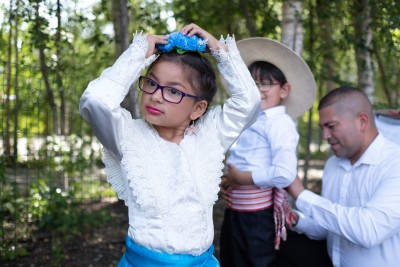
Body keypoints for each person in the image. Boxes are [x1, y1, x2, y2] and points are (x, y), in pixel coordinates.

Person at [79, 23, 260, 266]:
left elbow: (249, 102)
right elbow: (95, 101)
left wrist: (218, 49)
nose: (155, 95)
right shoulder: (127, 137)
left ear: (198, 108)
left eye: (173, 92)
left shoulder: (209, 137)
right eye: (151, 83)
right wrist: (140, 52)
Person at [219, 37, 316, 267]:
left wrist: (240, 178)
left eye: (265, 84)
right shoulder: (250, 120)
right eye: (252, 83)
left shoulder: (279, 123)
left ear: (284, 90)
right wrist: (228, 180)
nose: (257, 90)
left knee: (256, 262)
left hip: (257, 218)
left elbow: (284, 172)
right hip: (236, 212)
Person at [286, 86, 400, 267]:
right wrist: (295, 219)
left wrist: (301, 195)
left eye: (331, 126)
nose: (325, 136)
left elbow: (370, 231)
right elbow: (330, 227)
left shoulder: (395, 164)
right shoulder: (333, 164)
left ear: (362, 122)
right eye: (322, 128)